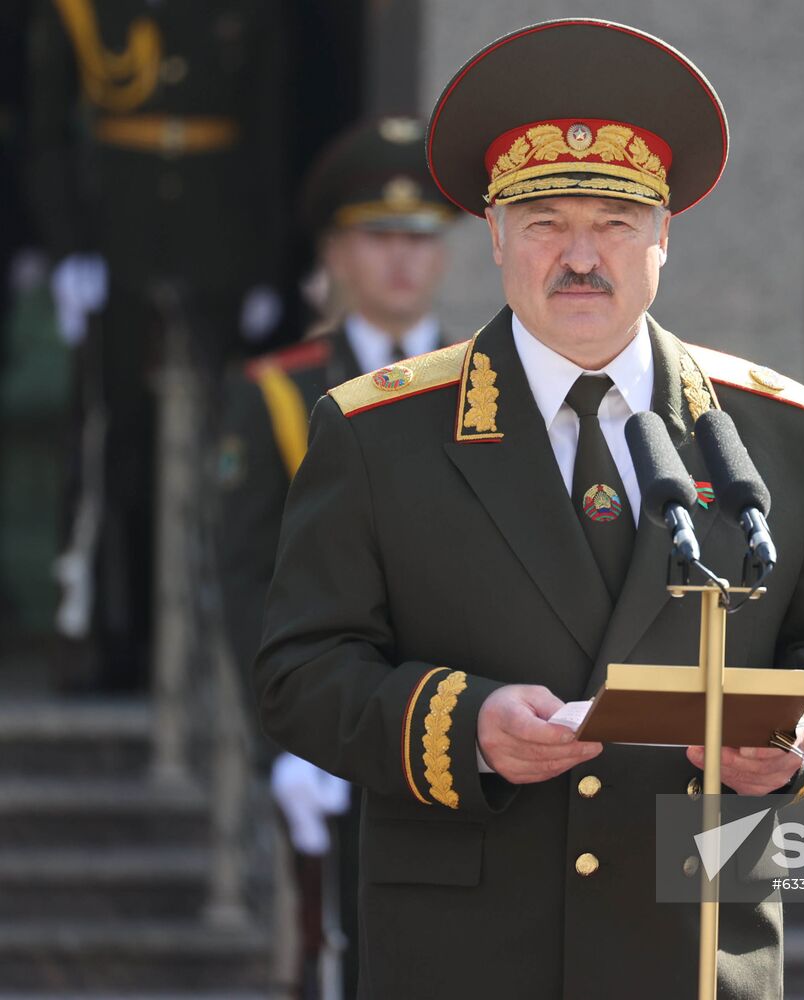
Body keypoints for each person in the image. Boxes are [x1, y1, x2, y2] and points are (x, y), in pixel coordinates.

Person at [254, 19, 804, 1000]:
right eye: (547, 220)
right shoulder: (377, 431)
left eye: (613, 221)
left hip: (691, 942)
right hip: (467, 948)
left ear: (663, 236)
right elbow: (301, 669)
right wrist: (463, 724)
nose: (580, 255)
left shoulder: (776, 431)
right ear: (496, 234)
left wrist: (798, 737)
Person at [218, 115, 459, 999]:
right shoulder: (279, 393)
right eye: (378, 236)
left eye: (421, 238)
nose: (402, 260)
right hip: (338, 721)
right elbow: (246, 577)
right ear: (337, 252)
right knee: (339, 956)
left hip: (463, 714)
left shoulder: (489, 381)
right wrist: (279, 737)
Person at [25, 0, 287, 690]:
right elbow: (44, 132)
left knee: (226, 445)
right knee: (113, 442)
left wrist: (267, 263)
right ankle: (112, 635)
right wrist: (68, 247)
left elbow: (272, 129)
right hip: (118, 240)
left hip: (219, 247)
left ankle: (214, 648)